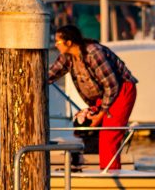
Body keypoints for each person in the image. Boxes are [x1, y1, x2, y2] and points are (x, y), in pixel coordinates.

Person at [48, 24, 138, 170]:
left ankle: (111, 175)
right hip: (104, 94)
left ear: (69, 42)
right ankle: (105, 168)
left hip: (121, 90)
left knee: (109, 136)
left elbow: (112, 84)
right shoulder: (67, 57)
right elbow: (51, 74)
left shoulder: (93, 53)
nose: (55, 45)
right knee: (91, 133)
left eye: (58, 42)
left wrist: (101, 113)